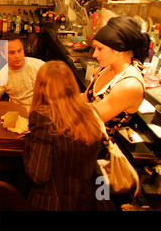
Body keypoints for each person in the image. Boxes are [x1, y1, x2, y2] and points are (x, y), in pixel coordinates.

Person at [23, 60, 102, 211]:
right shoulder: (92, 112)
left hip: (50, 205)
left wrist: (29, 137)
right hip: (84, 202)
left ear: (42, 88)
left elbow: (38, 175)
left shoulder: (42, 117)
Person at [83, 16, 149, 141]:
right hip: (85, 134)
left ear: (117, 49)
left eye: (100, 49)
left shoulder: (129, 84)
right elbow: (84, 98)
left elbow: (91, 119)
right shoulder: (105, 68)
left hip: (100, 148)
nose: (94, 54)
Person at [0, 34, 45, 110]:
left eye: (19, 51)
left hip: (40, 110)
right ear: (3, 55)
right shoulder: (2, 76)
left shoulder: (40, 66)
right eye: (12, 53)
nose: (17, 56)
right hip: (17, 113)